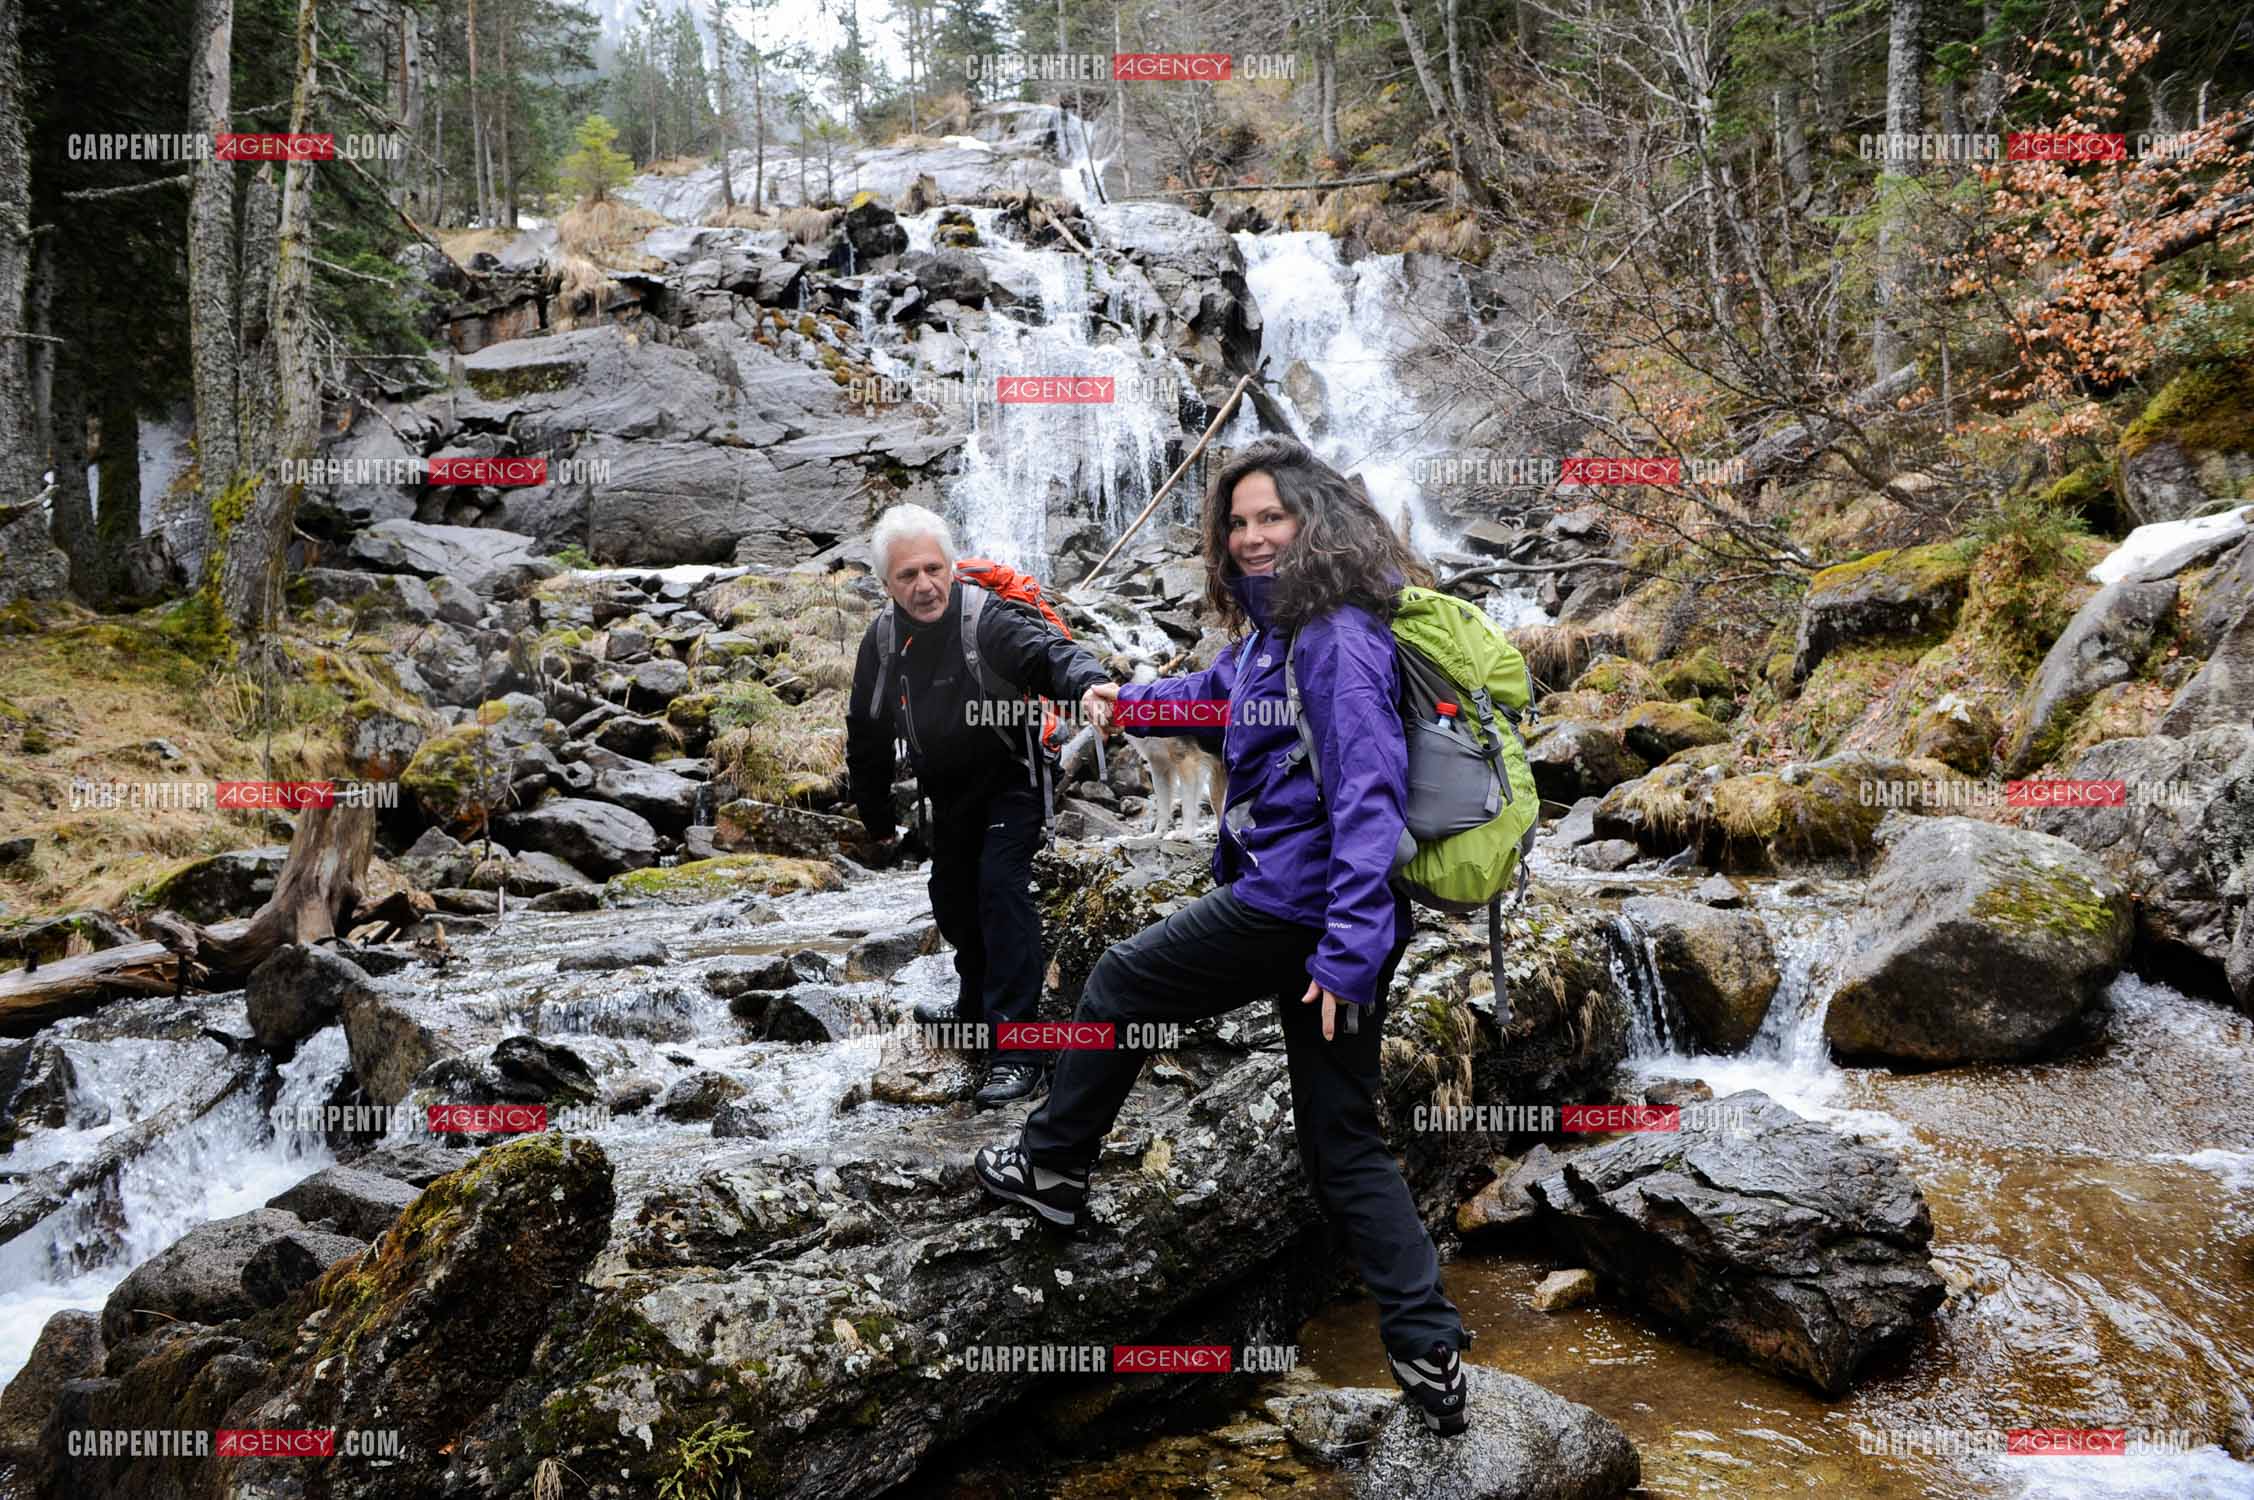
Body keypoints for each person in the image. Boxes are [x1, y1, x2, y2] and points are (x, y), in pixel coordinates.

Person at [971, 436, 1473, 1435]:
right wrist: (1118, 703)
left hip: (1306, 912)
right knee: (1343, 1144)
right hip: (1321, 918)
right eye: (1237, 522)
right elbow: (1212, 698)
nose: (1250, 537)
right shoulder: (1278, 637)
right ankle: (1429, 1355)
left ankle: (1052, 1168)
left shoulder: (1334, 636)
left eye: (1270, 518)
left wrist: (1344, 951)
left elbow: (1369, 802)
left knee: (1117, 982)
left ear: (1313, 520)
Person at [845, 504, 1112, 1107]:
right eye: (907, 575)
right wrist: (877, 818)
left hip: (1011, 780)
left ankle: (1019, 1048)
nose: (924, 585)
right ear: (886, 584)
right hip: (947, 792)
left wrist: (1089, 682)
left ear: (951, 567)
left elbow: (1048, 657)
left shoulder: (985, 619)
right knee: (952, 895)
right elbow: (865, 733)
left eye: (934, 569)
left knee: (999, 889)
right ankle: (974, 1007)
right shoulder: (883, 642)